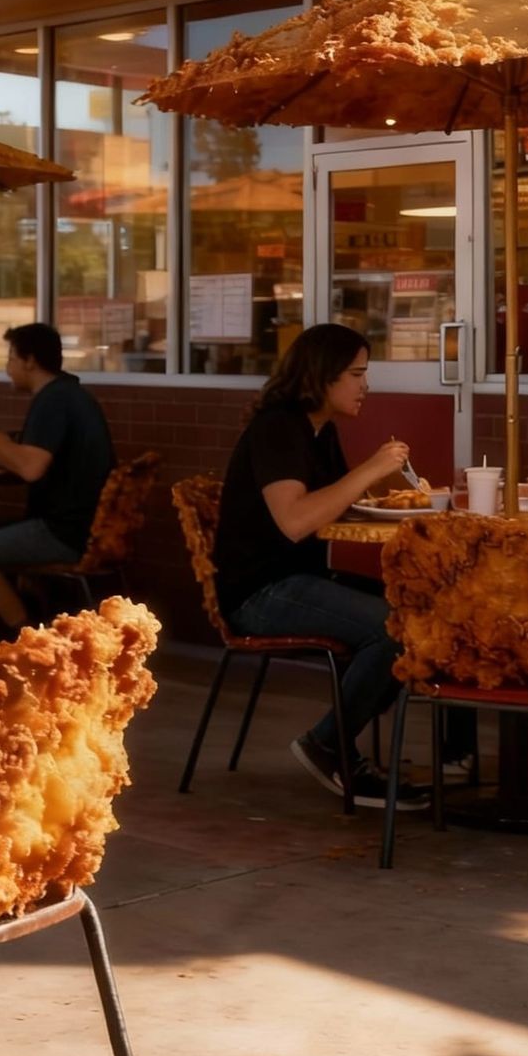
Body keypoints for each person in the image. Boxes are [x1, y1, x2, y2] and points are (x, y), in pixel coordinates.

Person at [212, 323, 427, 811]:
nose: (365, 385)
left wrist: (396, 498)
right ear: (321, 375)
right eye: (356, 374)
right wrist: (370, 470)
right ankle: (328, 745)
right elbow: (295, 520)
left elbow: (335, 504)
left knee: (422, 611)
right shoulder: (278, 428)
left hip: (300, 578)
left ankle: (446, 752)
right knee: (394, 629)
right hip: (260, 592)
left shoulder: (319, 429)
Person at [0, 322, 114, 634]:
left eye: (11, 358)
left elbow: (30, 468)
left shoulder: (54, 400)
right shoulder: (69, 393)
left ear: (29, 361)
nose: (8, 367)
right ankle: (9, 625)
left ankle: (23, 633)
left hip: (65, 531)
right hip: (86, 526)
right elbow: (26, 459)